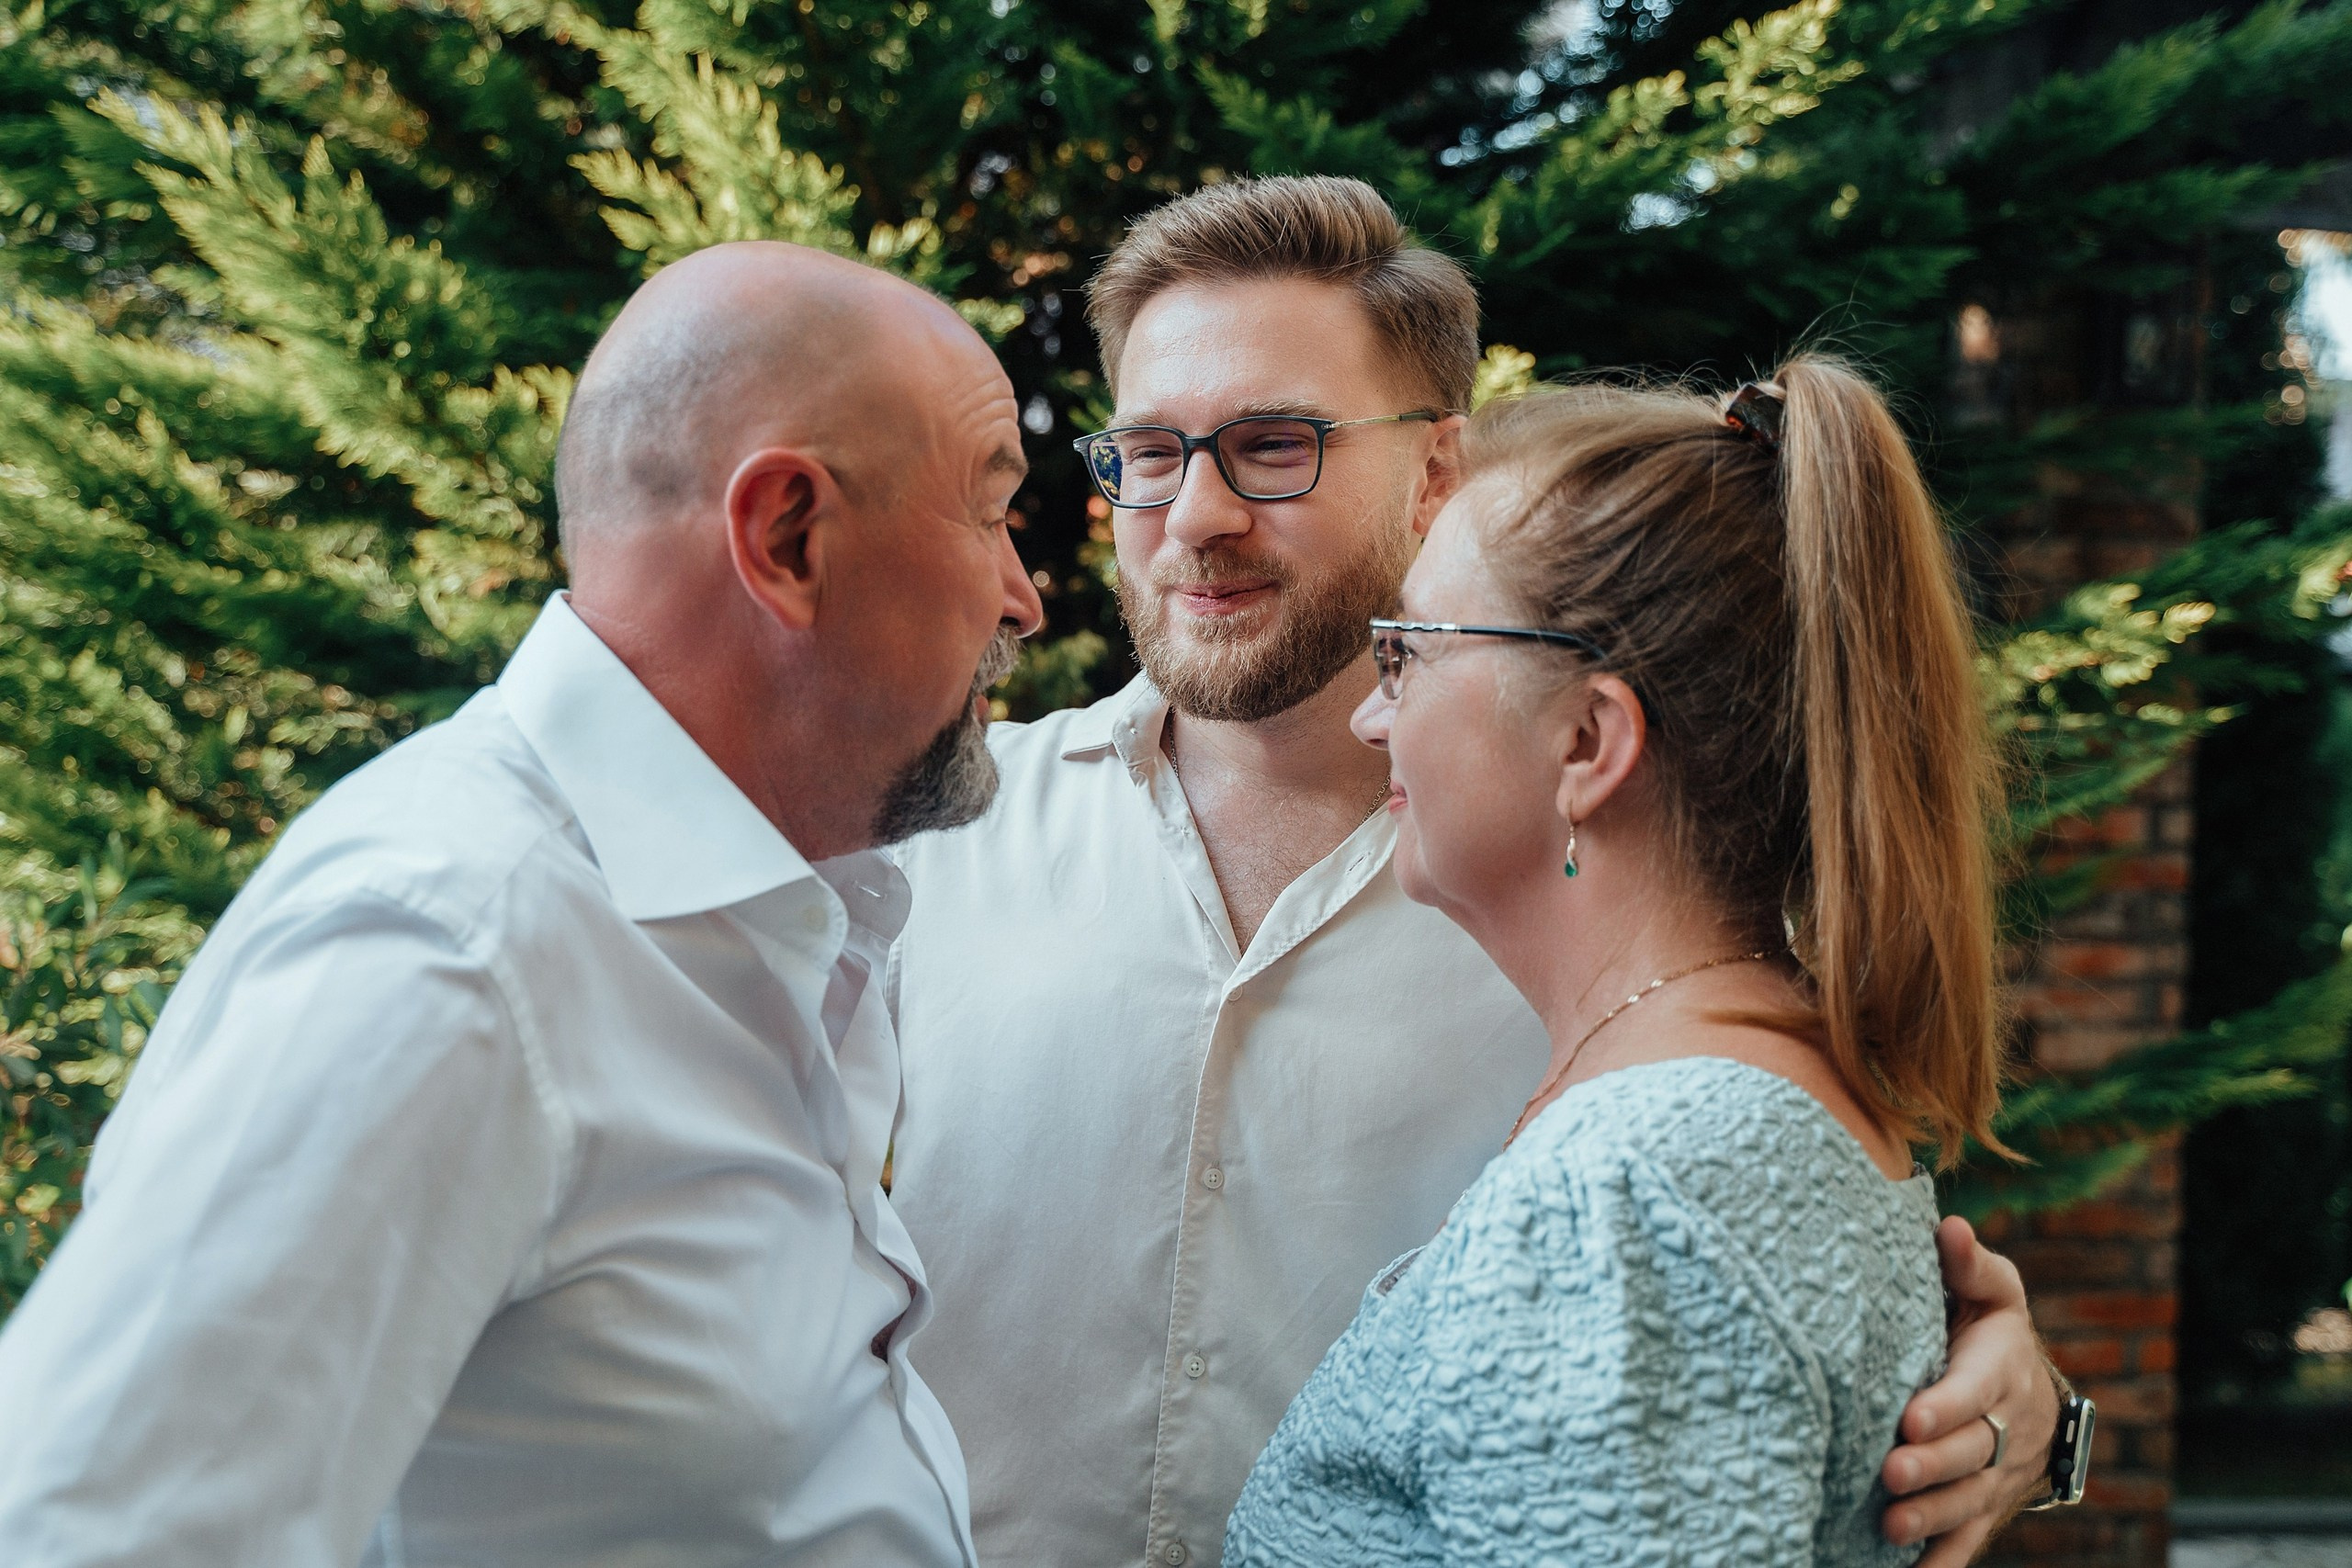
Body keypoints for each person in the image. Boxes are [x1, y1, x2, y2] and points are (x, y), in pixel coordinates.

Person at [888, 175, 2062, 1568]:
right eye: (1149, 452)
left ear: (1437, 470)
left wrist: (2026, 1421)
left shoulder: (1605, 916)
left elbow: (1765, 1308)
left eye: (1275, 445)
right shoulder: (919, 847)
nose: (1193, 514)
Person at [0, 241, 1044, 1567]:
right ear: (788, 537)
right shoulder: (448, 954)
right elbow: (87, 1534)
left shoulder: (749, 914)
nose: (1024, 593)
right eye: (991, 512)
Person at [1225, 359, 2001, 1564]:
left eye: (1408, 654)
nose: (1371, 717)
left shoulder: (1623, 1193)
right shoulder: (1756, 1089)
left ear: (1588, 741)